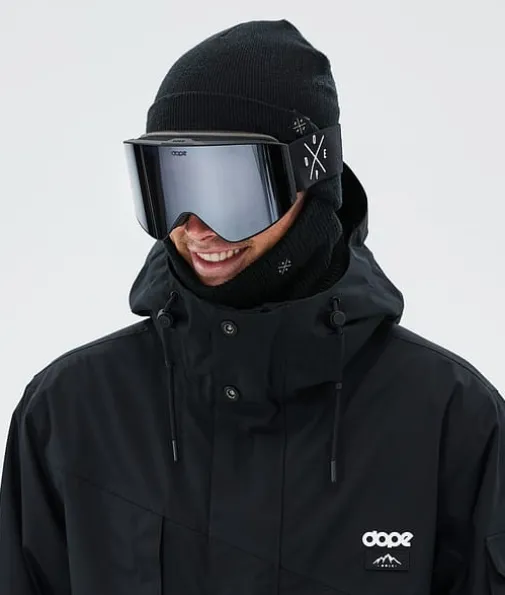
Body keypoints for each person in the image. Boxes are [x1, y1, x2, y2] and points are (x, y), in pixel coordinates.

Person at [0, 18, 504, 595]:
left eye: (230, 189)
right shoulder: (70, 415)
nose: (196, 228)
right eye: (170, 186)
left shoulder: (451, 422)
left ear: (311, 175)